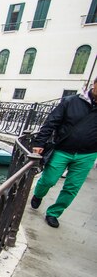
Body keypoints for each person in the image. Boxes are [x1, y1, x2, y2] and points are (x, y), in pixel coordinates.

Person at [30, 77, 97, 228]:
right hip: (62, 149)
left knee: (72, 187)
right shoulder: (71, 101)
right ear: (94, 84)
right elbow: (51, 122)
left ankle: (54, 213)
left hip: (88, 154)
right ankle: (38, 194)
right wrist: (40, 142)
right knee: (48, 180)